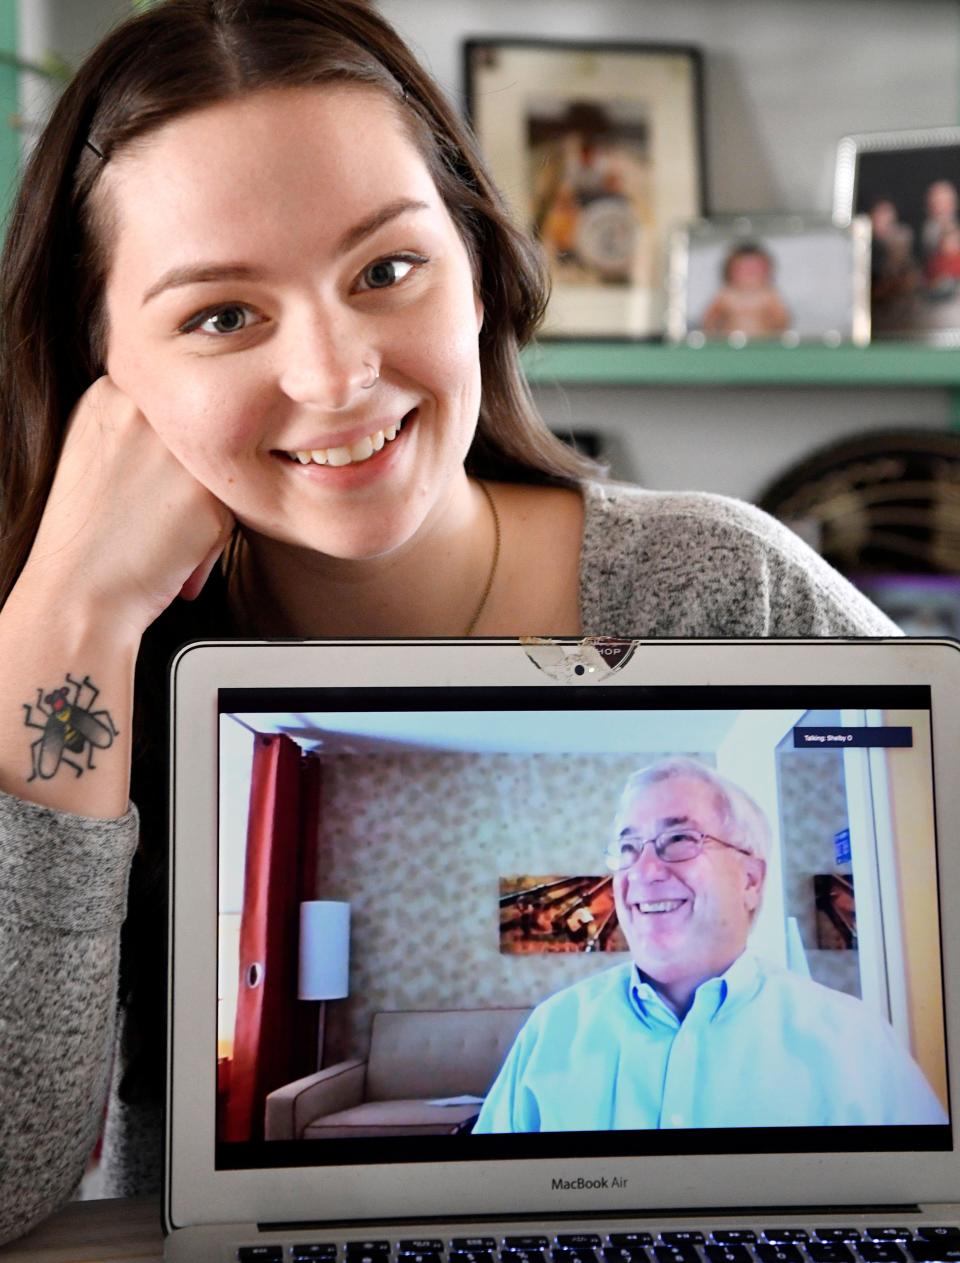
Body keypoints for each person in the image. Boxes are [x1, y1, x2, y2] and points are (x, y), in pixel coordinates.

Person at [0, 0, 896, 1245]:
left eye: (386, 268)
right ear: (102, 370)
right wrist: (72, 611)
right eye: (221, 314)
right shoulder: (49, 659)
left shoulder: (724, 586)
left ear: (477, 269)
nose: (336, 375)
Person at [473, 757, 945, 1133]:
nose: (644, 870)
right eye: (629, 847)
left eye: (679, 839)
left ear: (750, 880)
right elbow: (491, 1201)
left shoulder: (853, 1041)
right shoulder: (553, 1030)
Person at [701, 242, 791, 339]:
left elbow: (783, 322)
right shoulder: (726, 295)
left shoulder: (769, 296)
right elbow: (708, 321)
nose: (750, 274)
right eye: (743, 269)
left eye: (755, 269)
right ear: (729, 272)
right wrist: (713, 334)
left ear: (768, 272)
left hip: (764, 345)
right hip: (731, 344)